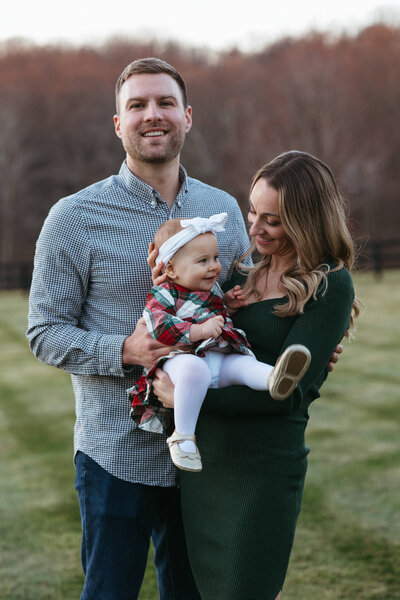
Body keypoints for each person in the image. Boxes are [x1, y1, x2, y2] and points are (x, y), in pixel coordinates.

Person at [26, 57, 252, 600]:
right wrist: (125, 350)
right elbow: (44, 332)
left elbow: (244, 307)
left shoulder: (221, 211)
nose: (153, 115)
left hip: (205, 451)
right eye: (138, 105)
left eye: (166, 103)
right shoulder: (74, 216)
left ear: (188, 116)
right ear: (118, 123)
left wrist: (310, 341)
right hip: (114, 453)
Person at [152, 150, 359, 600]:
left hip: (263, 466)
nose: (255, 227)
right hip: (207, 466)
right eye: (252, 211)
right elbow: (198, 335)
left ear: (306, 221)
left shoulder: (330, 283)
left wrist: (186, 401)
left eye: (273, 220)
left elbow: (288, 395)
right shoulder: (242, 271)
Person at [129, 212, 311, 473]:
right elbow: (160, 327)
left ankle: (275, 378)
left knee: (241, 365)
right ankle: (183, 438)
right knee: (195, 370)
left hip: (218, 358)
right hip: (180, 362)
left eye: (215, 258)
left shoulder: (210, 291)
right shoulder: (163, 293)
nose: (214, 266)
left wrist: (228, 306)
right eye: (203, 260)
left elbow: (213, 313)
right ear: (170, 269)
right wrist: (200, 329)